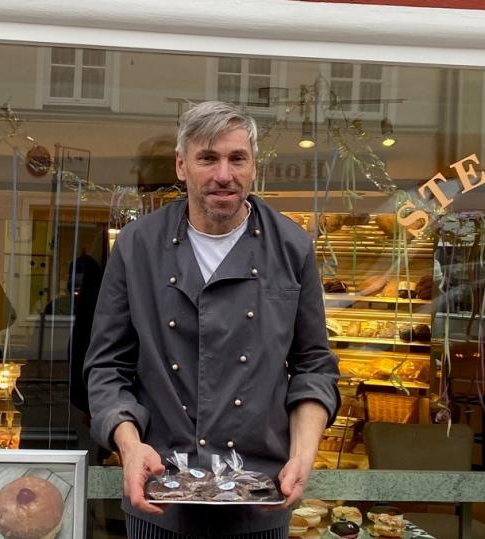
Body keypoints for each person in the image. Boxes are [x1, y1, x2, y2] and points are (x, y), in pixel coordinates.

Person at [85, 101, 340, 538]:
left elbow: (313, 366)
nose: (224, 174)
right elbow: (108, 367)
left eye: (237, 158)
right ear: (181, 165)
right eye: (207, 158)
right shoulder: (137, 245)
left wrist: (303, 453)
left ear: (253, 165)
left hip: (259, 498)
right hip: (160, 494)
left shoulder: (291, 247)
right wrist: (129, 445)